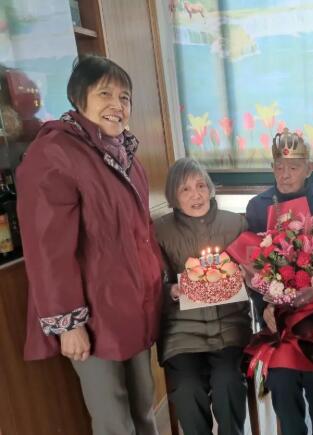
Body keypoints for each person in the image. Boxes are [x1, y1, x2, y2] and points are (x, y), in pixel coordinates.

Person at [16, 55, 163, 435]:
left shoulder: (124, 154)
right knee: (114, 420)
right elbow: (47, 250)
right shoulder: (55, 153)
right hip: (94, 316)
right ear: (78, 98)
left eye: (125, 97)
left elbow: (140, 232)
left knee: (143, 407)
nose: (118, 104)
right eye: (105, 94)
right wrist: (69, 324)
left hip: (133, 305)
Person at [245, 128, 313, 435]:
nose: (285, 174)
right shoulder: (258, 206)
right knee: (281, 381)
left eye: (294, 167)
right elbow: (252, 267)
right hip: (279, 318)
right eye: (279, 167)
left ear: (309, 168)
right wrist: (264, 306)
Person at [155, 158, 251, 435]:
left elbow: (257, 277)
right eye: (185, 189)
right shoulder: (159, 231)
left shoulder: (236, 223)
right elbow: (151, 284)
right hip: (182, 332)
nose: (195, 195)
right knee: (187, 389)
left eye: (200, 186)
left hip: (230, 327)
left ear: (210, 188)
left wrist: (247, 275)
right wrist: (171, 290)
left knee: (228, 382)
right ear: (173, 196)